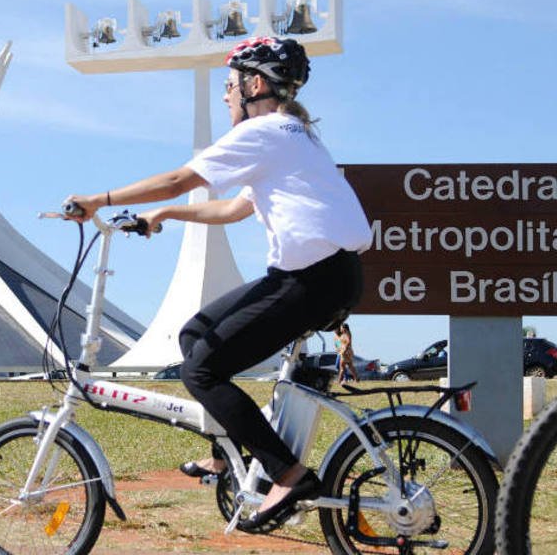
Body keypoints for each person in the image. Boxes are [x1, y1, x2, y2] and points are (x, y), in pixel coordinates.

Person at [65, 36, 371, 530]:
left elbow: (178, 178)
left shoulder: (266, 131)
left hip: (312, 280)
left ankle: (288, 474)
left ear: (254, 85)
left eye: (229, 86)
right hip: (324, 276)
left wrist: (98, 199)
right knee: (193, 336)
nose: (226, 97)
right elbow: (232, 207)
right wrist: (164, 213)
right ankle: (229, 454)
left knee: (201, 371)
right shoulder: (292, 135)